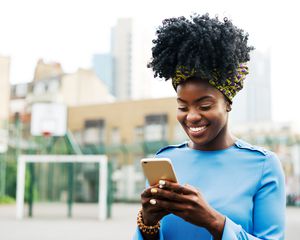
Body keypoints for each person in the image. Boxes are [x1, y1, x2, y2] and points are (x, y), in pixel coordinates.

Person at [133, 13, 285, 240]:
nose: (192, 116)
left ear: (228, 104)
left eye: (204, 105)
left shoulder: (263, 165)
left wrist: (214, 221)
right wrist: (147, 223)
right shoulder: (165, 160)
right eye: (183, 107)